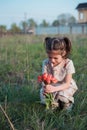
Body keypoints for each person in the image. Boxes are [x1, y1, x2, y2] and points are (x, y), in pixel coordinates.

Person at [40, 36, 78, 111]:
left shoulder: (68, 63)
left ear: (63, 53)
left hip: (65, 86)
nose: (52, 60)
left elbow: (67, 84)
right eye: (50, 57)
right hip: (51, 85)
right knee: (44, 94)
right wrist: (47, 87)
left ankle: (67, 105)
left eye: (55, 58)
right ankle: (53, 104)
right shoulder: (45, 63)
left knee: (62, 97)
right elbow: (44, 78)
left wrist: (55, 89)